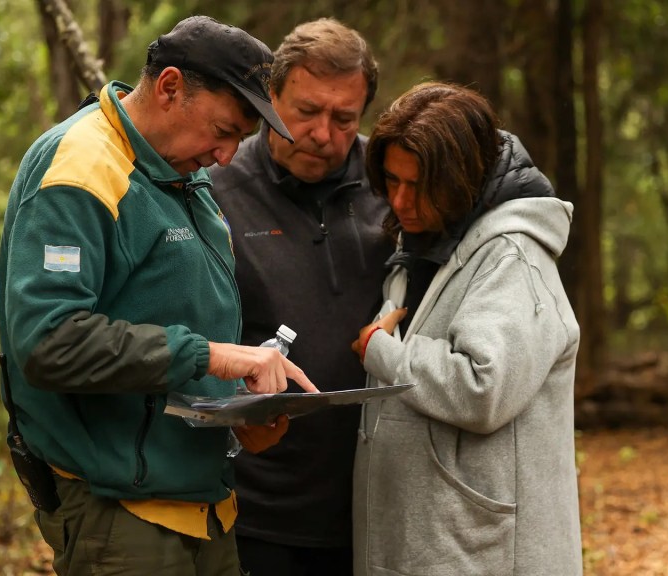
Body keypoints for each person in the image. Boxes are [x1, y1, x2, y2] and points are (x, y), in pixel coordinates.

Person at [0, 15, 319, 576]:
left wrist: (237, 408)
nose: (225, 157)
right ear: (170, 87)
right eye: (222, 131)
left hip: (206, 503)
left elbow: (169, 317)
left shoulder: (180, 170)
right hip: (121, 513)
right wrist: (214, 356)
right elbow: (49, 341)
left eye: (239, 141)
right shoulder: (81, 167)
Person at [350, 82, 584, 576]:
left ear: (461, 180)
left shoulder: (513, 259)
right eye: (392, 181)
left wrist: (382, 352)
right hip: (437, 549)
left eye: (418, 186)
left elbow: (483, 389)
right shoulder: (420, 248)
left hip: (486, 554)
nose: (399, 201)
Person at [207, 17, 391, 576]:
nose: (323, 134)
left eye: (344, 119)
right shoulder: (214, 185)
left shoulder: (393, 183)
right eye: (307, 112)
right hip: (255, 504)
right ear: (271, 97)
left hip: (374, 496)